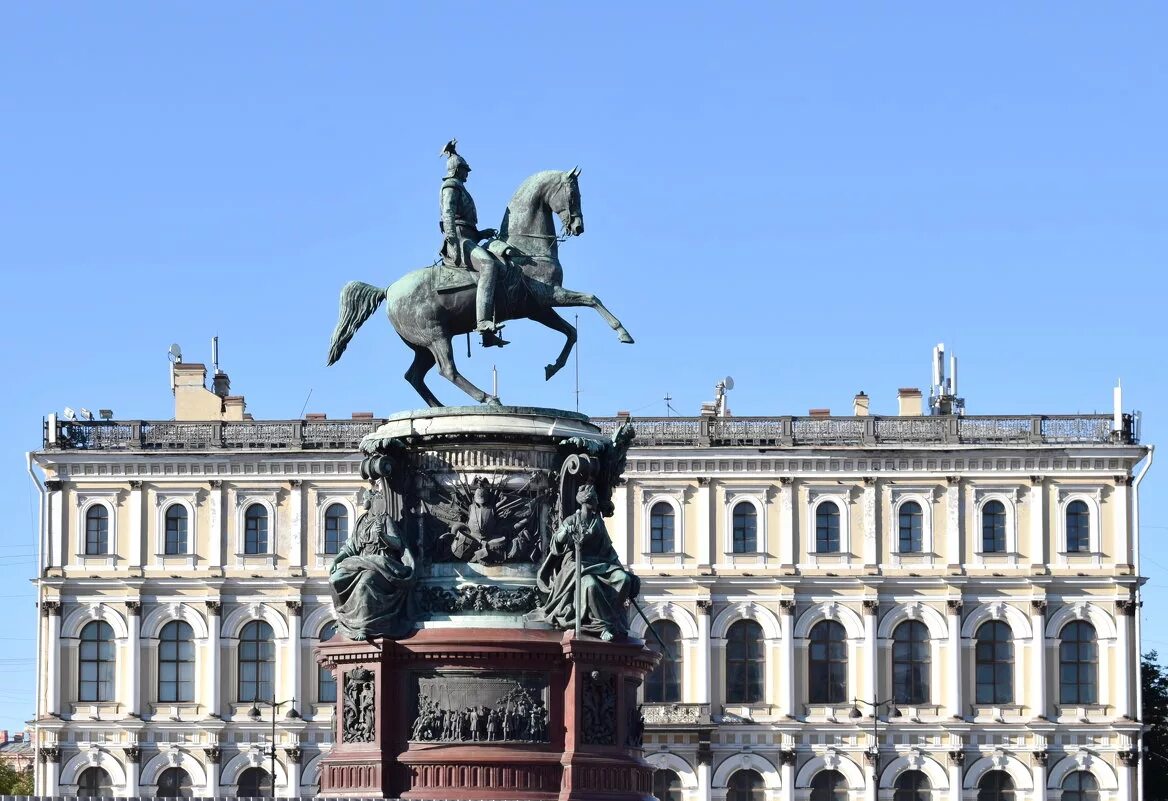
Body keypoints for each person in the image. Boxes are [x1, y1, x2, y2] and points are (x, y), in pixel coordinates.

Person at [535, 484, 640, 640]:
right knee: (590, 585)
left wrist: (621, 569)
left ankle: (613, 618)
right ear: (587, 501)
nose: (597, 501)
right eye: (595, 499)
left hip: (600, 563)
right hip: (577, 565)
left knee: (623, 579)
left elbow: (609, 550)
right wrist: (565, 532)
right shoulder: (573, 520)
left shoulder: (598, 522)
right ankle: (602, 625)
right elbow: (556, 543)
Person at [439, 139, 510, 348]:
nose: (467, 173)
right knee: (488, 265)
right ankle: (483, 322)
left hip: (468, 237)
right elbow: (448, 214)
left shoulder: (460, 187)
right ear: (457, 170)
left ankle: (489, 335)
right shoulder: (450, 186)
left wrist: (481, 233)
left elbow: (465, 222)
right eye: (464, 170)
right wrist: (452, 239)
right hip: (459, 241)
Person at [329, 490, 415, 639]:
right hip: (359, 563)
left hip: (382, 566)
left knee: (365, 584)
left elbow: (397, 543)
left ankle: (365, 626)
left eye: (365, 497)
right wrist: (337, 559)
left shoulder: (384, 519)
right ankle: (344, 620)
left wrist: (382, 535)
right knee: (334, 580)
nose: (363, 500)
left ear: (371, 500)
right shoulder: (361, 521)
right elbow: (352, 546)